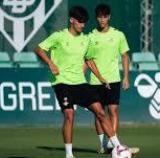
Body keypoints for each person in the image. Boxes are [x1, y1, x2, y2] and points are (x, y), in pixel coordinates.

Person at [34, 6, 124, 158]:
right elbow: (39, 49)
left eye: (84, 23)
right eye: (80, 22)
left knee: (101, 112)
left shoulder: (86, 40)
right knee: (69, 114)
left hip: (80, 82)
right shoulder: (58, 36)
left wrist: (101, 78)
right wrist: (50, 63)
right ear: (72, 20)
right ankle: (69, 154)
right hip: (62, 82)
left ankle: (118, 147)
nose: (82, 25)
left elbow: (89, 60)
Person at [88, 3, 139, 154]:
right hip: (95, 81)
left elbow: (125, 56)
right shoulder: (90, 36)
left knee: (113, 111)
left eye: (105, 16)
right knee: (99, 113)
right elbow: (87, 59)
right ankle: (103, 145)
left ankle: (112, 143)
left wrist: (126, 77)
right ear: (96, 18)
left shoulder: (118, 35)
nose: (102, 19)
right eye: (99, 17)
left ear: (109, 17)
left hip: (114, 79)